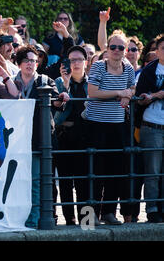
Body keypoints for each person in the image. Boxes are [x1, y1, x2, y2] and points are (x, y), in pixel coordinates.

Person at [13, 45, 69, 228]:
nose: (31, 64)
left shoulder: (46, 80)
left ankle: (34, 220)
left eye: (34, 60)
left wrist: (62, 97)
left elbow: (56, 103)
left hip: (39, 139)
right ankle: (18, 218)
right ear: (19, 63)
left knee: (37, 182)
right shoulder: (12, 82)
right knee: (19, 182)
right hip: (17, 141)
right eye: (27, 60)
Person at [85, 29, 136, 225]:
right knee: (94, 171)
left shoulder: (129, 68)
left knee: (115, 172)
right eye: (113, 46)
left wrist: (128, 94)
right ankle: (90, 217)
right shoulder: (99, 66)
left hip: (118, 125)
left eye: (120, 47)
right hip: (96, 125)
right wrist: (119, 93)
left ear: (125, 50)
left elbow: (132, 87)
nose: (116, 50)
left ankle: (108, 213)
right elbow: (92, 92)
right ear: (107, 48)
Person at [54, 45, 92, 225]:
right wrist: (66, 86)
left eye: (78, 60)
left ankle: (88, 221)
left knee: (86, 181)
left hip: (87, 137)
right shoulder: (58, 83)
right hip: (65, 137)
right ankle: (69, 219)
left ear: (86, 62)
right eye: (71, 60)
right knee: (66, 182)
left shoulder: (92, 83)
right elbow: (58, 117)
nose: (75, 64)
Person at [135, 35, 164, 223]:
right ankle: (152, 208)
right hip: (151, 125)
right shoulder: (148, 70)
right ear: (157, 50)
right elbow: (139, 98)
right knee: (152, 171)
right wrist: (152, 96)